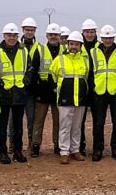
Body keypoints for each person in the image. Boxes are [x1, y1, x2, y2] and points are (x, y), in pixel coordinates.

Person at [90, 25, 116, 161]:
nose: (107, 40)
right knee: (98, 122)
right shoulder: (94, 52)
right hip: (100, 91)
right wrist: (94, 87)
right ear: (101, 38)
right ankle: (98, 149)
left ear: (113, 38)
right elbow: (90, 73)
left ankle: (115, 148)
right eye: (105, 38)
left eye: (110, 38)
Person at [49, 31, 91, 164]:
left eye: (76, 44)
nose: (74, 46)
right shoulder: (59, 60)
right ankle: (64, 152)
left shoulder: (85, 60)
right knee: (65, 126)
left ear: (80, 46)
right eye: (71, 44)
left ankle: (75, 150)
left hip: (80, 99)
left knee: (77, 126)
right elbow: (52, 78)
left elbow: (86, 78)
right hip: (65, 98)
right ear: (67, 45)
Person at [0, 23, 32, 164]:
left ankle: (18, 151)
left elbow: (30, 69)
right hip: (3, 93)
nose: (12, 38)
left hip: (19, 92)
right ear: (4, 36)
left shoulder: (24, 51)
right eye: (9, 35)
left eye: (14, 35)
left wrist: (26, 82)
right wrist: (0, 84)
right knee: (2, 125)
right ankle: (3, 152)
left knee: (18, 126)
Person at [30, 23, 64, 157]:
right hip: (42, 91)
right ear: (47, 36)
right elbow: (34, 72)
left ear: (60, 36)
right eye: (51, 35)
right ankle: (36, 145)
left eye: (56, 35)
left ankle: (57, 145)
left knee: (58, 121)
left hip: (58, 91)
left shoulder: (64, 51)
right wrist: (36, 90)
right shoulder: (40, 50)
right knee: (39, 120)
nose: (53, 37)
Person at [19, 17, 40, 156]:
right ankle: (13, 144)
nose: (29, 32)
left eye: (31, 30)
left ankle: (31, 143)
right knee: (15, 119)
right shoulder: (16, 46)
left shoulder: (39, 47)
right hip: (16, 88)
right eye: (27, 30)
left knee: (31, 118)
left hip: (32, 89)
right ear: (23, 30)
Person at [78, 18, 99, 156]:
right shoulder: (78, 46)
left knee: (98, 120)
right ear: (83, 33)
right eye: (87, 32)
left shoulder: (101, 46)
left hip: (97, 87)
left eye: (92, 32)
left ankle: (97, 147)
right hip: (82, 88)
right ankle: (80, 146)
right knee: (80, 120)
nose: (90, 34)